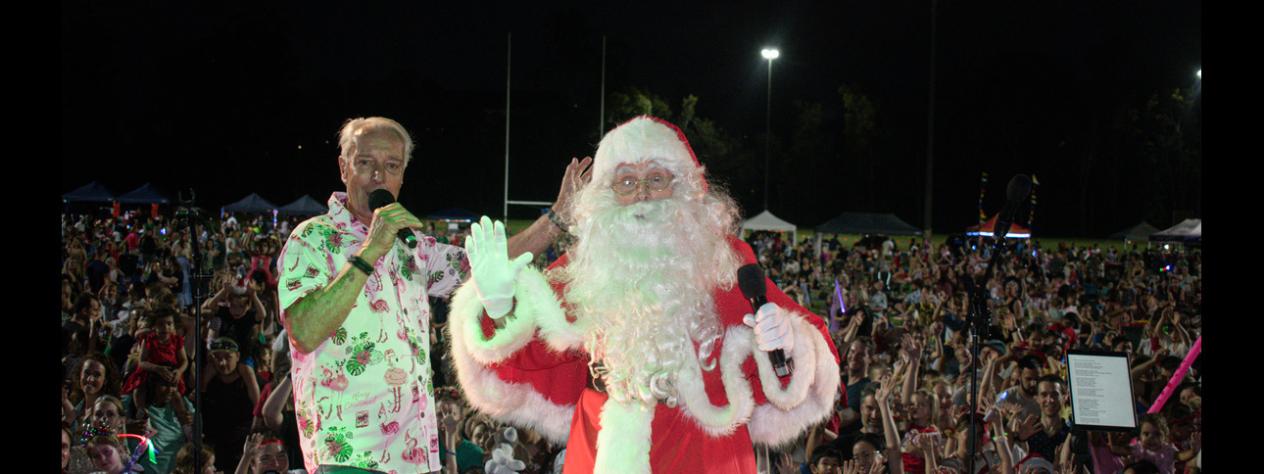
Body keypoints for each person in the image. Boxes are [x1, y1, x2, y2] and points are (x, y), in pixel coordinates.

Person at [447, 116, 841, 473]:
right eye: (626, 182)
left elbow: (810, 351)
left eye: (656, 178)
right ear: (606, 193)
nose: (641, 194)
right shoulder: (584, 266)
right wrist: (499, 305)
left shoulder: (726, 260)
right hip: (602, 444)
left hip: (705, 449)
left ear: (682, 186)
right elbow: (532, 353)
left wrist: (787, 342)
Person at [277, 116, 587, 473]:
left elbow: (484, 267)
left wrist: (557, 218)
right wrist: (370, 251)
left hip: (415, 455)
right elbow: (303, 331)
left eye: (391, 165)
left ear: (402, 176)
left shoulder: (410, 246)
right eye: (366, 163)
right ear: (344, 168)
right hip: (350, 455)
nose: (379, 175)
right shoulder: (312, 238)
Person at [201, 337, 259, 471]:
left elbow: (258, 408)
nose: (222, 362)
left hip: (241, 448)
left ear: (238, 356)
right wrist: (203, 382)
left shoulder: (249, 380)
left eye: (228, 357)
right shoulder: (210, 382)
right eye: (217, 357)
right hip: (216, 449)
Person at [120, 308, 188, 418]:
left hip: (169, 371)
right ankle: (141, 410)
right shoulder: (149, 340)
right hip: (150, 370)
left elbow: (184, 360)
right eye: (161, 324)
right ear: (154, 327)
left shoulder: (176, 340)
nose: (165, 327)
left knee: (175, 394)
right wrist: (157, 368)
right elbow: (142, 362)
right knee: (139, 387)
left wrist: (179, 371)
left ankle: (184, 419)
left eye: (169, 324)